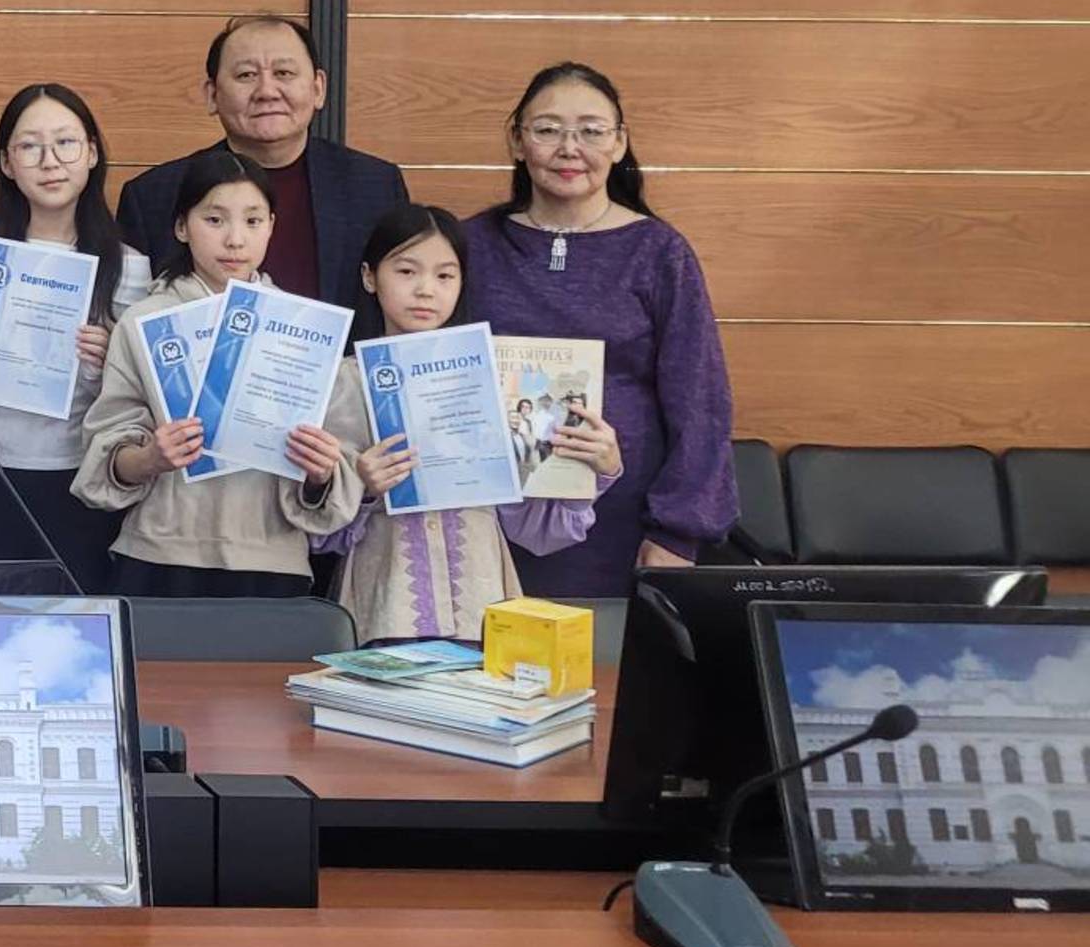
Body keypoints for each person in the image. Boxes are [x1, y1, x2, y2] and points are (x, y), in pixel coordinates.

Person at [460, 62, 736, 594]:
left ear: (619, 143)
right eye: (548, 130)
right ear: (517, 140)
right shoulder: (471, 244)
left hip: (620, 525)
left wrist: (678, 533)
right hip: (483, 516)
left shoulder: (659, 252)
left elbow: (700, 402)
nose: (570, 148)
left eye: (591, 131)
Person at [320, 205, 614, 643]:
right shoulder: (343, 381)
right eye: (406, 271)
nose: (425, 290)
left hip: (481, 597)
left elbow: (538, 528)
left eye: (445, 275)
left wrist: (594, 466)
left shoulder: (500, 380)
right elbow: (317, 532)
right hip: (386, 601)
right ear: (369, 277)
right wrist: (362, 489)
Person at [75, 151, 360, 597]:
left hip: (271, 558)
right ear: (181, 226)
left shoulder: (305, 328)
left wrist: (321, 470)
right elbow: (106, 447)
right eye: (214, 220)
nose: (234, 240)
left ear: (272, 226)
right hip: (160, 554)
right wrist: (151, 458)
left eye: (253, 221)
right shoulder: (148, 321)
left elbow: (334, 466)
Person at [0, 84, 152, 585]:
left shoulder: (128, 267)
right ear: (6, 162)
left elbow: (135, 400)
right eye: (30, 146)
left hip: (77, 478)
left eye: (65, 143)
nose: (50, 161)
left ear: (92, 153)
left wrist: (113, 360)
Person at [116, 14, 409, 306]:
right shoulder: (153, 196)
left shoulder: (376, 187)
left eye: (284, 73)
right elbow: (128, 316)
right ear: (213, 94)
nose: (267, 92)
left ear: (318, 88)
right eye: (246, 75)